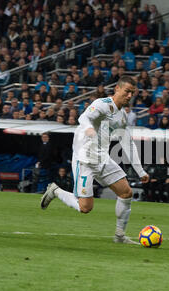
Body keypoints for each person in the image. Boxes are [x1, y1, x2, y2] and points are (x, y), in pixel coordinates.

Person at [40, 76, 149, 245]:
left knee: (126, 193)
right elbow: (83, 118)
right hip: (84, 159)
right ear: (117, 89)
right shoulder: (102, 104)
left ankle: (119, 236)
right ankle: (56, 191)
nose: (129, 96)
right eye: (127, 92)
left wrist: (140, 171)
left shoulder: (121, 117)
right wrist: (89, 128)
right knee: (85, 208)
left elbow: (127, 143)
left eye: (132, 93)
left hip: (102, 158)